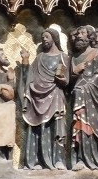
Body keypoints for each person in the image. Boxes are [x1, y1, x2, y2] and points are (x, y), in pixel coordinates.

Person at [19, 28, 69, 170]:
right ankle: (36, 160)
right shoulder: (39, 57)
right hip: (37, 96)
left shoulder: (62, 57)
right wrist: (25, 61)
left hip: (56, 94)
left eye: (47, 36)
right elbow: (29, 77)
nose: (44, 39)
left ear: (54, 38)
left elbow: (66, 81)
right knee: (38, 127)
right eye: (42, 37)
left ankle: (58, 159)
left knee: (57, 126)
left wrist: (62, 79)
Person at [70, 25, 98, 170]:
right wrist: (75, 71)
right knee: (80, 126)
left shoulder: (96, 53)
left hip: (93, 96)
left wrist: (86, 87)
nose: (79, 36)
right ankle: (80, 158)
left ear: (89, 37)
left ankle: (94, 158)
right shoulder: (74, 57)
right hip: (77, 96)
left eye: (83, 33)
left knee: (92, 127)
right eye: (78, 34)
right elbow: (69, 79)